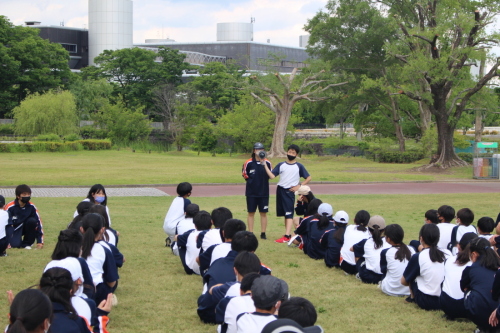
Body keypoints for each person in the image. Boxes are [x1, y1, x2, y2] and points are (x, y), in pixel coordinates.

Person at [263, 144, 311, 243]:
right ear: (287, 152)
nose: (291, 154)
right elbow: (272, 176)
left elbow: (308, 177)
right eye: (289, 152)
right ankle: (287, 233)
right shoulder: (281, 165)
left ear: (296, 154)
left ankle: (287, 235)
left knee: (289, 214)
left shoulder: (299, 166)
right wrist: (265, 165)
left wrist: (299, 186)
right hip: (280, 190)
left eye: (293, 153)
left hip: (290, 192)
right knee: (285, 214)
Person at [402, 223, 447, 310]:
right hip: (446, 299)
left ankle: (412, 298)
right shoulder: (447, 253)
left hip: (427, 301)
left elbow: (404, 281)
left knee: (413, 275)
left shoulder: (419, 256)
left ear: (421, 238)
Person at [461, 237, 500, 332]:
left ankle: (482, 325)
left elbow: (463, 287)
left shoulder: (470, 269)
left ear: (474, 254)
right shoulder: (497, 264)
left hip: (483, 313)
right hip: (498, 310)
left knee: (468, 291)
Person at [80, 213, 119, 305]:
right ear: (102, 230)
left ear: (81, 229)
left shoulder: (72, 247)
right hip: (97, 293)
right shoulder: (104, 249)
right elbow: (111, 282)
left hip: (73, 290)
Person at [39, 267, 93, 333]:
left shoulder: (28, 318)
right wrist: (101, 316)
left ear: (40, 288)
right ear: (70, 292)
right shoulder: (77, 322)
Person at [440, 232, 476, 320]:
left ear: (459, 246)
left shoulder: (449, 260)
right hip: (467, 308)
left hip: (446, 305)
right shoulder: (477, 265)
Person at [242, 142, 272, 239]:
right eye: (257, 149)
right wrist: (251, 182)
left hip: (264, 192)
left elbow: (270, 174)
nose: (259, 151)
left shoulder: (267, 162)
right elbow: (244, 174)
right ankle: (250, 232)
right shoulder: (248, 162)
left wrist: (263, 164)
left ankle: (263, 233)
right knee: (251, 212)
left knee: (263, 213)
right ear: (254, 151)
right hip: (251, 193)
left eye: (261, 149)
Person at [352, 215, 390, 284]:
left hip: (368, 277)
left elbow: (352, 249)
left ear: (368, 229)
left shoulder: (366, 242)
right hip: (385, 276)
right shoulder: (389, 242)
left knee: (361, 258)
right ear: (384, 230)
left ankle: (359, 273)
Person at [4, 184, 44, 249]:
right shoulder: (10, 207)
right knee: (15, 245)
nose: (27, 196)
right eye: (24, 194)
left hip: (25, 227)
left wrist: (40, 241)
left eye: (28, 194)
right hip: (14, 230)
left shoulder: (32, 207)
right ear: (18, 196)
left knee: (32, 221)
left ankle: (27, 243)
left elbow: (39, 223)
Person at [379, 224, 414, 296]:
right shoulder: (412, 249)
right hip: (409, 290)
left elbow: (383, 270)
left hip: (390, 289)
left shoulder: (386, 252)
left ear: (388, 239)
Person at [176, 210, 212, 275]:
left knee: (180, 242)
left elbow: (176, 238)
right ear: (211, 224)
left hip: (191, 269)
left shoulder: (190, 234)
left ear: (195, 225)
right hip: (209, 269)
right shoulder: (215, 234)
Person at [340, 210, 370, 275]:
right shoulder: (369, 233)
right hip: (360, 266)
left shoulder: (348, 228)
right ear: (368, 223)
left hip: (344, 264)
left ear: (354, 220)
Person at [163, 182, 192, 247]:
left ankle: (171, 239)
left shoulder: (175, 199)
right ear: (189, 193)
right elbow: (190, 214)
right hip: (175, 228)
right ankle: (179, 241)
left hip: (166, 227)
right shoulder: (187, 201)